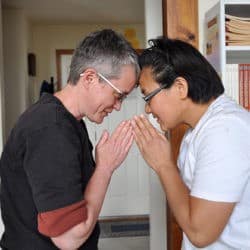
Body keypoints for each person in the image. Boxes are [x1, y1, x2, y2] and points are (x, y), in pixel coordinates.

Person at [0, 29, 139, 250]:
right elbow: (69, 238)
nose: (119, 105)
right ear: (90, 78)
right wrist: (105, 168)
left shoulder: (68, 122)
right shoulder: (50, 129)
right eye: (118, 95)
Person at [132, 37, 250, 249]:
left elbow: (199, 233)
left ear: (180, 87)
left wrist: (163, 165)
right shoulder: (198, 129)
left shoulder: (225, 131)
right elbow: (188, 210)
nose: (148, 109)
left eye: (149, 97)